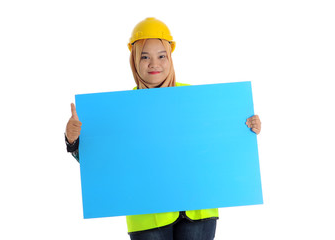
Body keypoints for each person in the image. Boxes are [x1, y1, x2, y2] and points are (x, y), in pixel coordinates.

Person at [65, 17, 262, 240]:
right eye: (145, 57)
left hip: (199, 209)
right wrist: (73, 141)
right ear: (134, 60)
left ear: (170, 57)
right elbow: (104, 167)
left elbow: (221, 144)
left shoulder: (198, 99)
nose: (154, 64)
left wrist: (247, 128)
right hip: (147, 213)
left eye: (161, 56)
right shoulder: (119, 110)